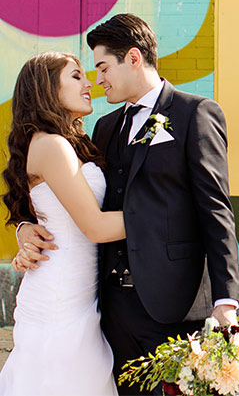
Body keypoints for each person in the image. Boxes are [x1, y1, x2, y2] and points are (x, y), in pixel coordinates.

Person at [16, 14, 239, 395]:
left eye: (103, 67)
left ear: (133, 58)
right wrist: (25, 227)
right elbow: (56, 194)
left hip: (174, 305)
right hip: (109, 311)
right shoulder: (104, 128)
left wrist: (227, 301)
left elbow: (216, 211)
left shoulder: (195, 114)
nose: (98, 79)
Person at [1, 52, 123, 395]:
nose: (89, 84)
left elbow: (43, 212)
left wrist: (24, 228)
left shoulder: (71, 144)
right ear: (47, 88)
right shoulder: (52, 145)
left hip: (81, 295)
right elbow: (95, 227)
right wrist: (170, 219)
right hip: (59, 298)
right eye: (76, 76)